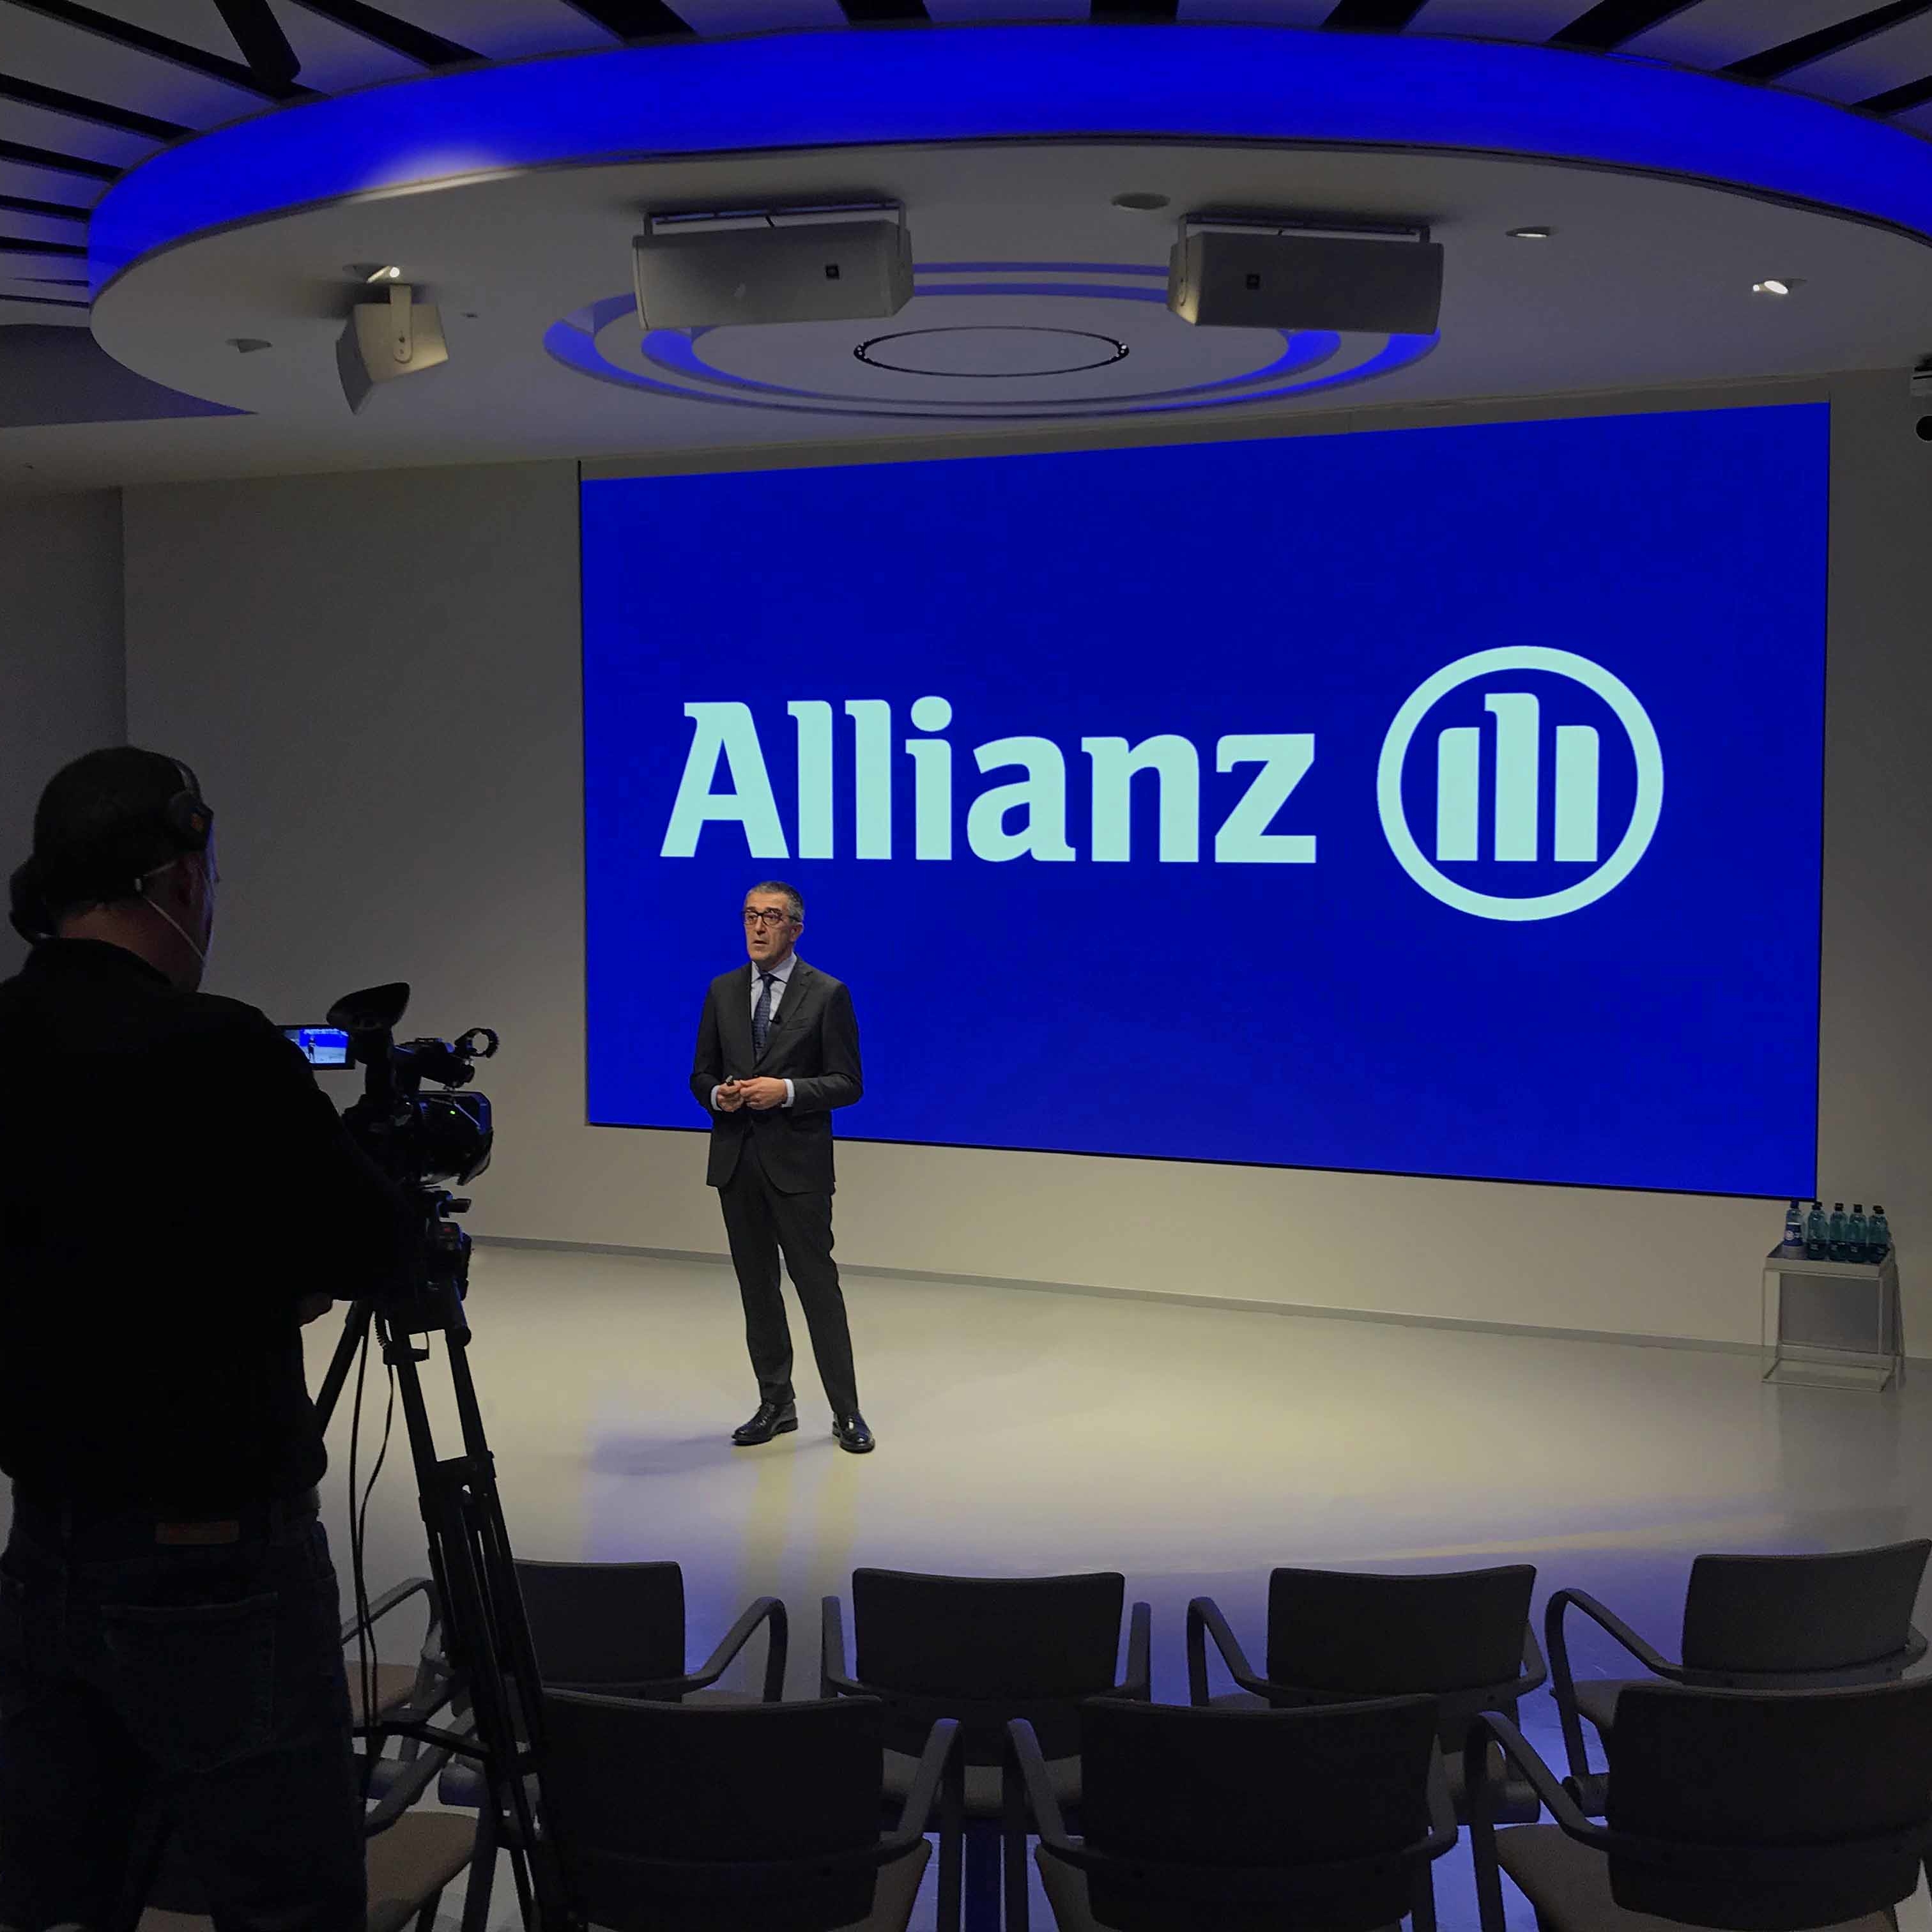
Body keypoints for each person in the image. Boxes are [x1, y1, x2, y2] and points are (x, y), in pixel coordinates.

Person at [0, 747, 418, 1929]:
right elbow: (376, 1252)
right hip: (220, 1573)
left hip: (42, 1553)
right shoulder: (221, 1047)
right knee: (288, 1903)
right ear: (181, 878)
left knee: (57, 1895)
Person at [690, 881, 872, 1453]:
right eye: (750, 916)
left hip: (798, 1167)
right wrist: (719, 1096)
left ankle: (846, 1412)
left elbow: (848, 1083)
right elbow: (700, 1073)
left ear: (795, 928)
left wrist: (786, 1091)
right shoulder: (722, 990)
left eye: (771, 917)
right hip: (737, 1162)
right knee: (757, 1290)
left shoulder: (828, 994)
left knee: (817, 1288)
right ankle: (776, 1404)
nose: (758, 927)